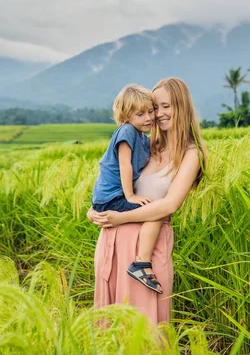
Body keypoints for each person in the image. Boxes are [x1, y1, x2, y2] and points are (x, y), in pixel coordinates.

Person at [87, 77, 206, 326]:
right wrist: (95, 210)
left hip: (146, 258)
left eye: (166, 106)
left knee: (147, 328)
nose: (158, 114)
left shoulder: (191, 154)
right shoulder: (144, 144)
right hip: (113, 244)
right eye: (155, 107)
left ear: (182, 107)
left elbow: (169, 205)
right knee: (113, 331)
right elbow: (111, 178)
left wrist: (120, 217)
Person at [90, 84, 164, 293]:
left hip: (110, 196)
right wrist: (130, 196)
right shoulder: (127, 131)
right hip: (112, 198)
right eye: (140, 114)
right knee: (155, 212)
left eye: (151, 111)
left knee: (153, 209)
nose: (148, 118)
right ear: (126, 116)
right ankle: (141, 263)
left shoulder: (140, 135)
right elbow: (124, 164)